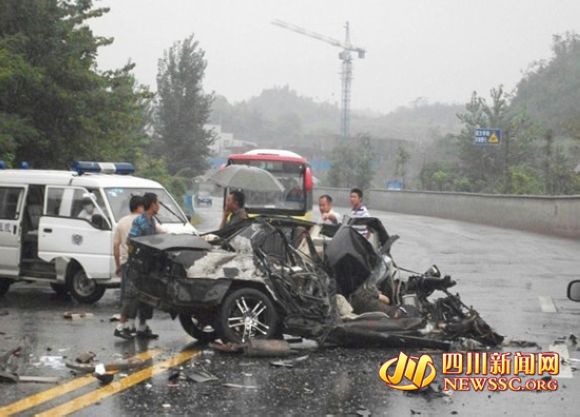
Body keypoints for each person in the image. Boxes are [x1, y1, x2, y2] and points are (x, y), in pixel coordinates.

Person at [124, 192, 161, 339]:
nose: (159, 206)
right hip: (138, 265)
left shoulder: (152, 221)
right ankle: (129, 326)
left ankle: (142, 327)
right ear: (152, 204)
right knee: (134, 296)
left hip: (149, 265)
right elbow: (130, 241)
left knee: (147, 296)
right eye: (157, 203)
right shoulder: (140, 221)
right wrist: (135, 258)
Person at [113, 195, 144, 340]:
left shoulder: (121, 222)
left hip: (126, 263)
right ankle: (122, 326)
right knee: (134, 296)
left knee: (128, 295)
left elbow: (116, 247)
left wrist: (118, 265)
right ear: (139, 207)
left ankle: (130, 327)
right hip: (138, 264)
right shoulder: (143, 221)